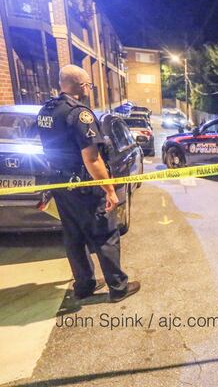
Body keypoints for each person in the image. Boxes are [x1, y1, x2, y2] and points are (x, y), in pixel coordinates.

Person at [37, 65, 140, 302]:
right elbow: (92, 159)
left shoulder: (46, 110)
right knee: (105, 234)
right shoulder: (79, 114)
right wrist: (110, 190)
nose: (89, 89)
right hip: (83, 185)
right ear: (81, 86)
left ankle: (83, 285)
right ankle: (118, 287)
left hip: (61, 184)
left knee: (73, 236)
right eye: (88, 85)